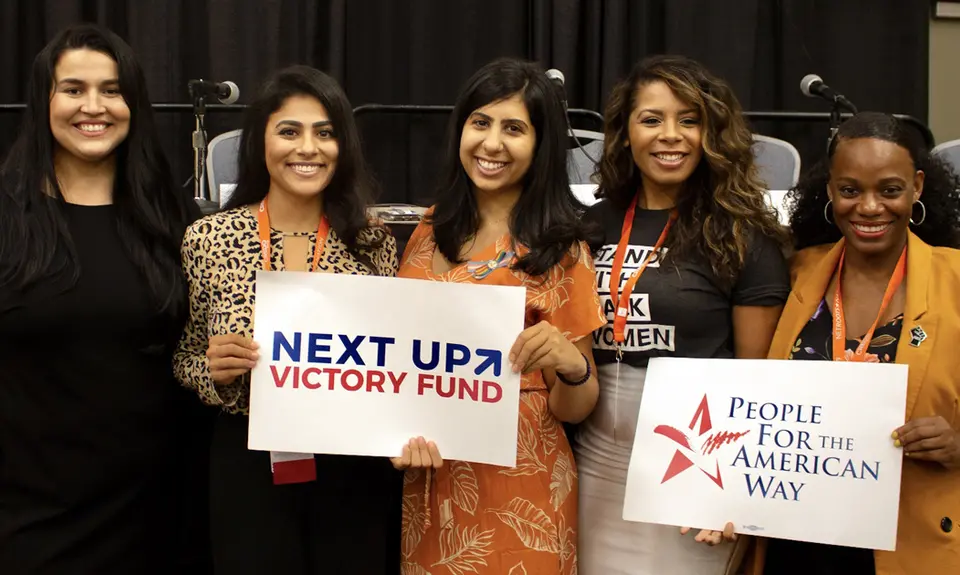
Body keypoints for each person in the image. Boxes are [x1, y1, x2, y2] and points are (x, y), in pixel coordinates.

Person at [173, 65, 400, 575]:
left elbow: (395, 363)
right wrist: (212, 369)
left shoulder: (372, 240)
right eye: (289, 131)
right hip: (248, 459)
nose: (308, 148)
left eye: (325, 133)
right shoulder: (208, 239)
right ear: (261, 142)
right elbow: (184, 356)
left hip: (351, 465)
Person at [573, 54, 792, 575]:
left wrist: (734, 486)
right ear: (625, 134)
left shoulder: (743, 236)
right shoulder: (591, 224)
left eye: (689, 120)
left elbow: (758, 379)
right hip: (592, 462)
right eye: (652, 119)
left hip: (694, 467)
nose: (670, 135)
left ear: (712, 132)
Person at [0, 24, 207, 574]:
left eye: (112, 90)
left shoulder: (175, 219)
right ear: (42, 101)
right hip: (27, 520)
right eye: (73, 89)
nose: (94, 106)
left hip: (156, 517)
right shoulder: (5, 217)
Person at [393, 57, 604, 575]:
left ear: (540, 144)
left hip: (522, 481)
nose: (491, 144)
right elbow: (395, 365)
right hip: (432, 479)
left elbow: (577, 405)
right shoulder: (428, 229)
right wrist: (390, 436)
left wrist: (570, 366)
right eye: (480, 122)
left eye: (514, 128)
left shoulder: (561, 247)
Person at [746, 112, 960, 574]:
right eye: (850, 190)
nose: (868, 207)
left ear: (917, 187)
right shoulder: (793, 272)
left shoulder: (957, 281)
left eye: (889, 190)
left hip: (909, 537)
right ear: (829, 191)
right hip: (795, 536)